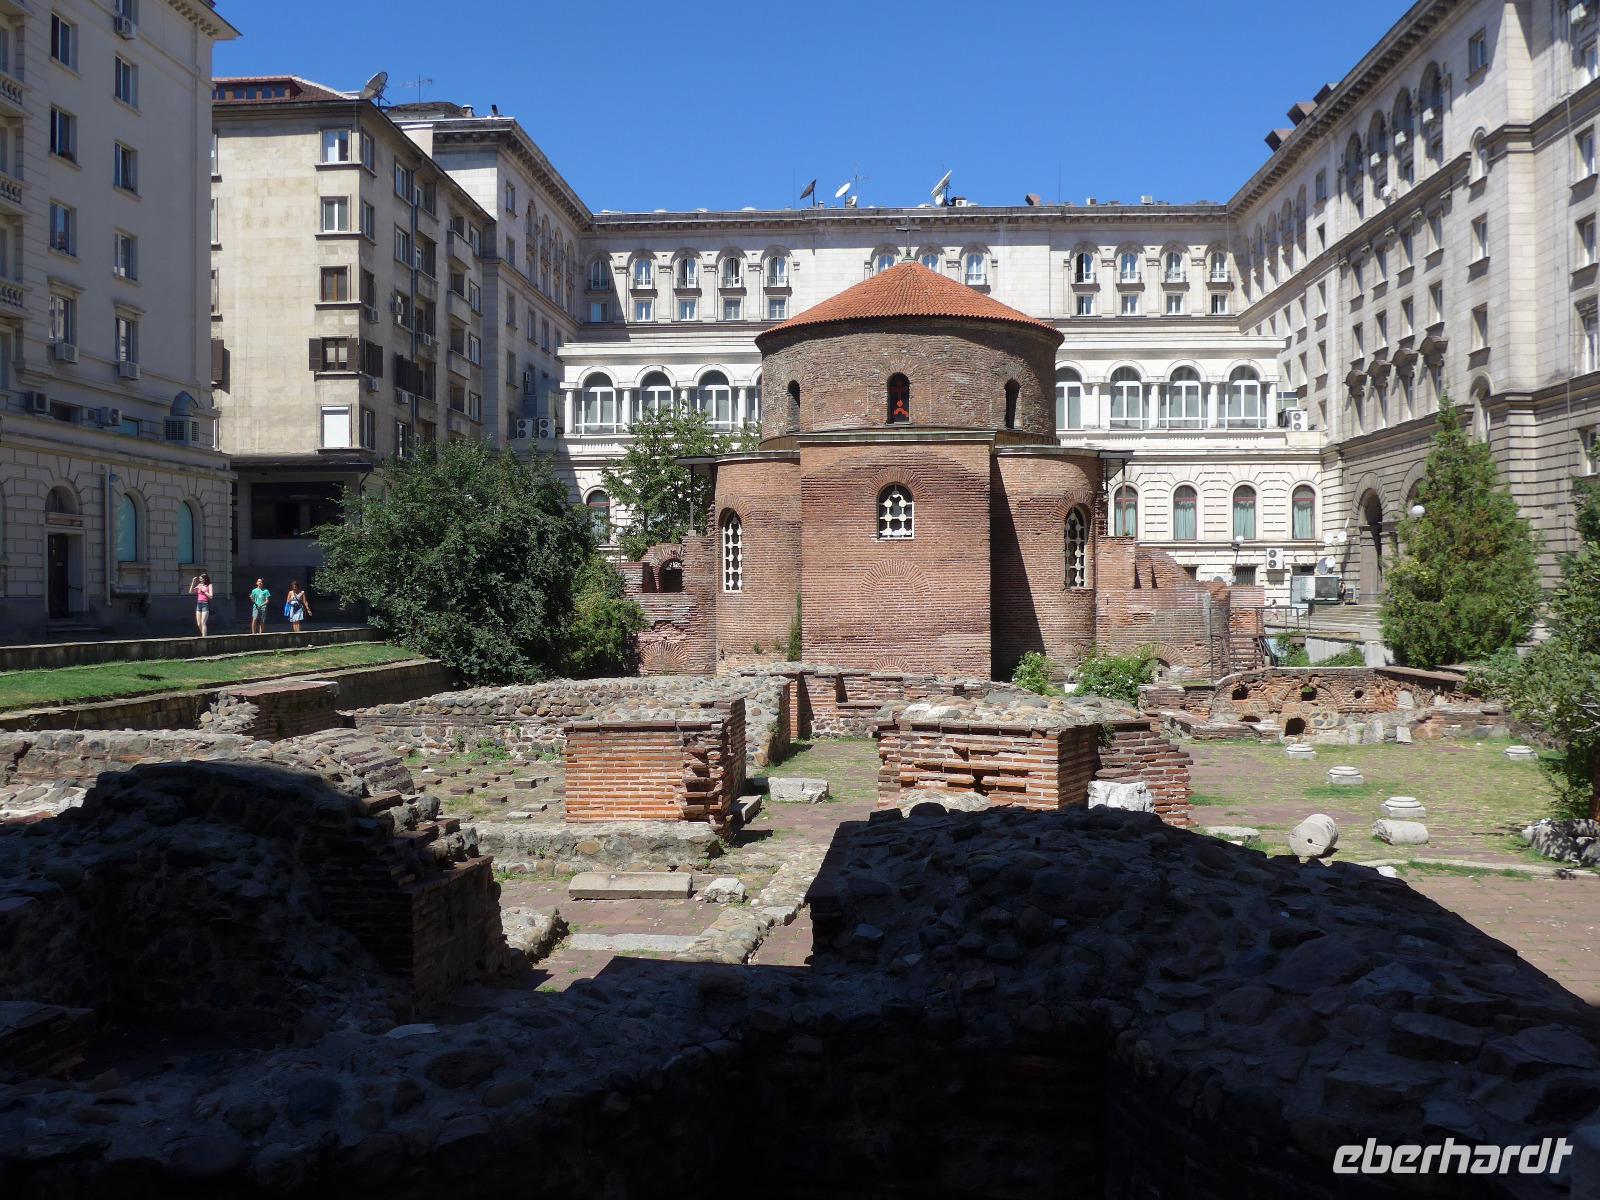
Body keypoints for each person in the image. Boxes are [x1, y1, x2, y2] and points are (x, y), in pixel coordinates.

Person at [188, 572, 212, 638]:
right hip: (199, 604)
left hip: (205, 604)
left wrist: (204, 591)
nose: (200, 580)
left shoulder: (209, 585)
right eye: (199, 579)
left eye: (201, 579)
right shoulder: (199, 585)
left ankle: (204, 638)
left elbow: (211, 596)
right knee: (199, 624)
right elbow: (190, 592)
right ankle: (204, 636)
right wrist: (193, 583)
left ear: (205, 579)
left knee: (203, 623)